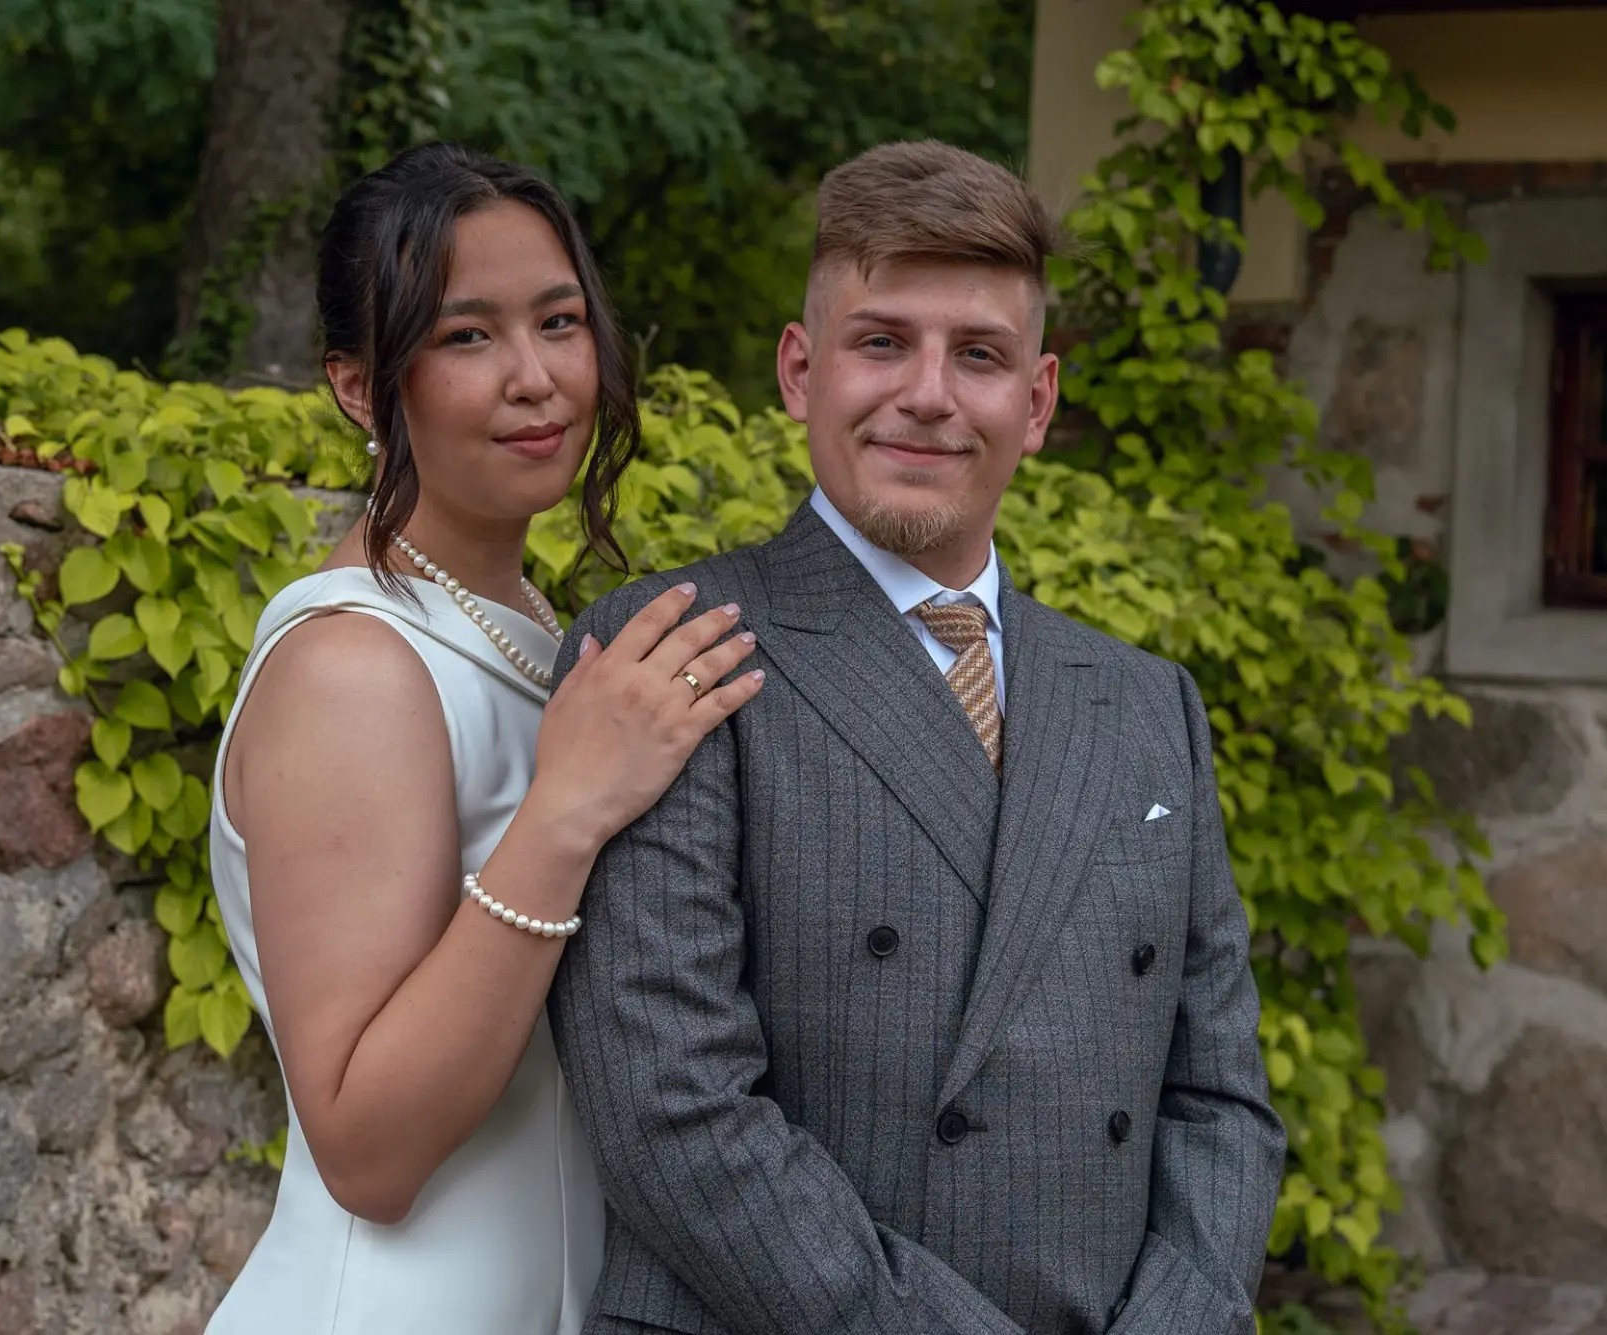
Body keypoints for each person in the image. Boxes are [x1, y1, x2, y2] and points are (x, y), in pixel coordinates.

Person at [549, 140, 1286, 1335]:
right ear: (801, 372)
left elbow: (1220, 1099)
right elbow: (669, 1110)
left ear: (1035, 403)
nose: (929, 394)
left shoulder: (1149, 702)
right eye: (882, 342)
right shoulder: (676, 649)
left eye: (978, 355)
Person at [204, 142, 763, 1334]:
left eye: (559, 322)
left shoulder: (519, 631)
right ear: (362, 389)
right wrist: (564, 812)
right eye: (467, 336)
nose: (537, 378)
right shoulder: (353, 668)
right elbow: (367, 1150)